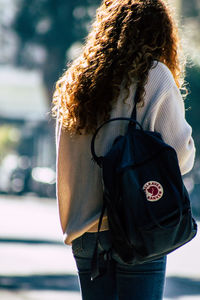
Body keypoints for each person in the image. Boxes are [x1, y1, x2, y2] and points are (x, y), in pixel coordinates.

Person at [52, 0, 196, 299]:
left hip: (85, 231)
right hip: (139, 225)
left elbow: (67, 159)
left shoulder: (78, 80)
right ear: (160, 34)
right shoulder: (154, 75)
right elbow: (180, 155)